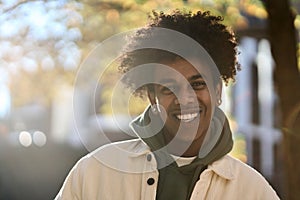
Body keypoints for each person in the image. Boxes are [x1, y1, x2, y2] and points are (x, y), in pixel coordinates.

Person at [55, 10, 280, 200]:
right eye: (169, 88)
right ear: (153, 98)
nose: (185, 98)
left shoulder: (253, 191)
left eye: (197, 84)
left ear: (218, 91)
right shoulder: (95, 173)